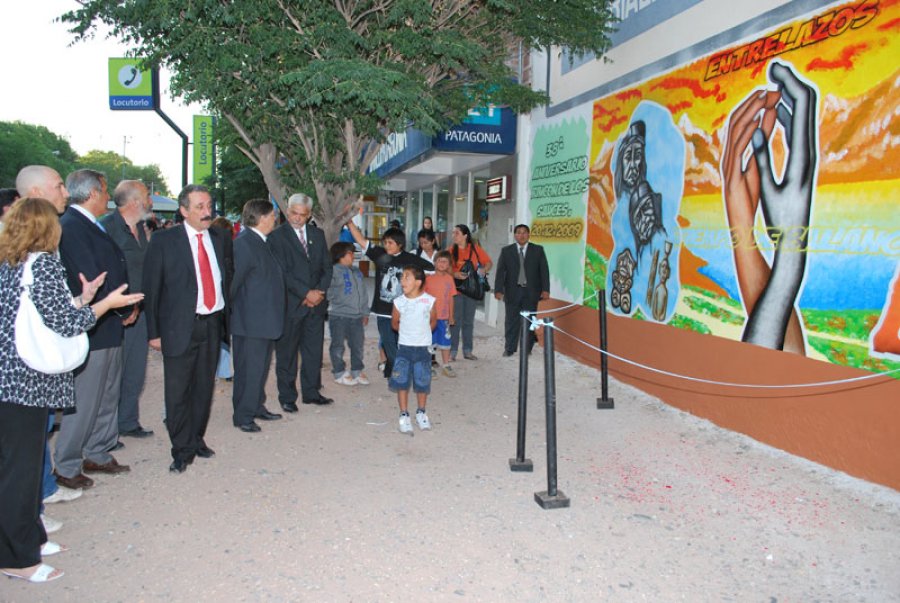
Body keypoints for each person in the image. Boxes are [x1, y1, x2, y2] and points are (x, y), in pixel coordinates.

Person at [0, 197, 142, 583]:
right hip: (27, 381)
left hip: (12, 377)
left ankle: (30, 536)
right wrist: (105, 304)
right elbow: (66, 323)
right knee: (20, 471)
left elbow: (45, 312)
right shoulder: (43, 263)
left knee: (20, 466)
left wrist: (83, 298)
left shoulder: (11, 261)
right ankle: (16, 557)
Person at [142, 184, 233, 474]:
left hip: (212, 324)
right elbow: (152, 288)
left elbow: (226, 279)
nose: (207, 212)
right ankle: (181, 448)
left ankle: (196, 438)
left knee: (204, 388)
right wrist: (153, 332)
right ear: (183, 210)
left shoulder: (220, 237)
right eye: (199, 207)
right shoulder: (164, 240)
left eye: (209, 206)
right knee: (178, 391)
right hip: (179, 327)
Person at [54, 170, 134, 490]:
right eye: (104, 190)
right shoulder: (72, 226)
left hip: (108, 322)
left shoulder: (89, 224)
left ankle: (98, 451)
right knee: (85, 399)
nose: (108, 197)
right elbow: (91, 277)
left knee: (107, 393)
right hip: (92, 325)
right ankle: (67, 464)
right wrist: (122, 307)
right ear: (91, 194)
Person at [268, 193, 333, 410]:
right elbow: (281, 272)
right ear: (287, 211)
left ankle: (311, 393)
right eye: (293, 213)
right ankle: (287, 397)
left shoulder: (318, 234)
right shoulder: (276, 237)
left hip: (316, 305)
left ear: (309, 215)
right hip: (291, 305)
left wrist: (318, 293)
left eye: (302, 215)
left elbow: (327, 267)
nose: (297, 218)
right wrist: (306, 293)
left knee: (313, 352)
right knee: (287, 354)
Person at [346, 219, 433, 378]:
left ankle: (394, 369)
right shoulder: (380, 254)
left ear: (400, 244)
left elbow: (432, 270)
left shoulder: (410, 259)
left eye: (390, 243)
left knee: (402, 341)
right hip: (382, 310)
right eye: (385, 242)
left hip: (403, 311)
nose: (387, 246)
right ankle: (400, 369)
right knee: (387, 341)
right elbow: (361, 240)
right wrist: (350, 223)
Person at [101, 180, 155, 441]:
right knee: (112, 374)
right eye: (147, 196)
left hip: (141, 311)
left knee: (135, 370)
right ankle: (106, 431)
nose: (150, 201)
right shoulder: (106, 228)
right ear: (134, 202)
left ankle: (128, 422)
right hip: (115, 314)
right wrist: (119, 310)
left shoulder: (143, 229)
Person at [230, 200, 284, 433]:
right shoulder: (244, 243)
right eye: (272, 215)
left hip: (264, 320)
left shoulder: (262, 241)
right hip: (250, 321)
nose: (275, 219)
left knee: (260, 369)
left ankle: (256, 406)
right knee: (249, 370)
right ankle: (243, 415)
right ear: (261, 218)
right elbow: (233, 284)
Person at [390, 264, 437, 435]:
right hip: (404, 348)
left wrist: (422, 335)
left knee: (422, 381)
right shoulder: (399, 302)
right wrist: (407, 334)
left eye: (407, 277)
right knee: (402, 381)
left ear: (418, 282)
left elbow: (433, 321)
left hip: (423, 349)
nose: (402, 280)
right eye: (402, 277)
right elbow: (394, 323)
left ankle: (421, 412)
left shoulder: (429, 301)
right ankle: (404, 414)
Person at [493, 224, 550, 357]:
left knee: (530, 320)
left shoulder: (538, 250)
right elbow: (500, 271)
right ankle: (509, 348)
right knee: (511, 321)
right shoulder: (506, 251)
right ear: (515, 235)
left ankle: (527, 348)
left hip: (531, 292)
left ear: (528, 235)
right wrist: (498, 289)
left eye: (524, 232)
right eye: (518, 232)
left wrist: (546, 289)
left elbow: (544, 271)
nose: (521, 235)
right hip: (512, 291)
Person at [326, 242, 370, 386]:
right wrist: (335, 299)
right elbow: (326, 290)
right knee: (338, 345)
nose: (353, 255)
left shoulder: (357, 271)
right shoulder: (333, 271)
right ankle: (339, 372)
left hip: (357, 317)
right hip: (339, 316)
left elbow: (363, 293)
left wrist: (365, 312)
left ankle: (357, 370)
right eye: (350, 253)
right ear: (340, 255)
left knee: (357, 345)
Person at [449, 224, 492, 361]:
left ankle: (467, 351)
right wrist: (454, 274)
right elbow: (443, 268)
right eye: (453, 233)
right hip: (456, 290)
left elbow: (488, 262)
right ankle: (452, 352)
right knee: (455, 321)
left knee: (468, 322)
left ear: (465, 235)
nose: (454, 235)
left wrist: (484, 270)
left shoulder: (475, 249)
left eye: (457, 233)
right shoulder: (450, 250)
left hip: (471, 291)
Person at [424, 250, 457, 376]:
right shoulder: (428, 279)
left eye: (445, 262)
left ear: (449, 265)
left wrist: (451, 316)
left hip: (444, 318)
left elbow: (451, 298)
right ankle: (428, 365)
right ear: (434, 262)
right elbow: (423, 298)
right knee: (429, 342)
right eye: (439, 261)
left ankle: (446, 365)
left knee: (445, 341)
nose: (442, 264)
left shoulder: (450, 279)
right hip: (430, 318)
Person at [211, 216, 235, 381]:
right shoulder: (227, 251)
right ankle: (225, 370)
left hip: (220, 302)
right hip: (221, 302)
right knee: (223, 335)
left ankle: (223, 369)